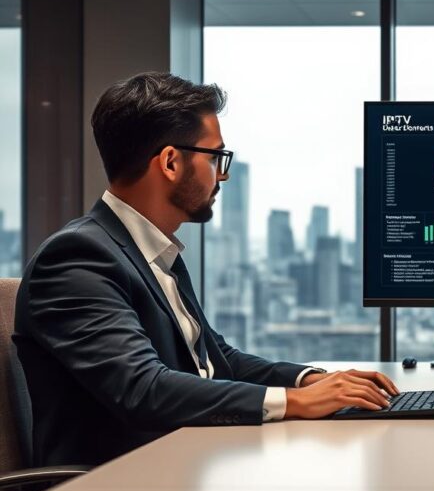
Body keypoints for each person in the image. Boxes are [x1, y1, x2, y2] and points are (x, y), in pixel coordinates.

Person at [12, 72, 398, 467]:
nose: (223, 174)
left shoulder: (156, 253)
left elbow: (218, 360)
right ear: (170, 162)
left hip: (180, 468)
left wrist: (308, 380)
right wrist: (296, 402)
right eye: (215, 157)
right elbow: (142, 389)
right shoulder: (77, 257)